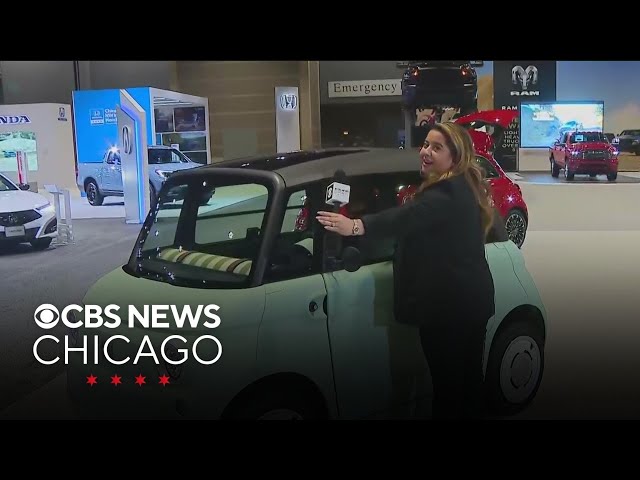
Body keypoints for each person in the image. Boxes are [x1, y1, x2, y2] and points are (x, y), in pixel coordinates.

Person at [316, 122, 496, 420]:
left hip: (449, 312)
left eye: (436, 147)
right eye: (425, 144)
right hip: (469, 304)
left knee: (451, 393)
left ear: (455, 157)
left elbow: (407, 217)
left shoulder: (446, 193)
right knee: (467, 387)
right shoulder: (462, 186)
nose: (425, 151)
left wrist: (356, 226)